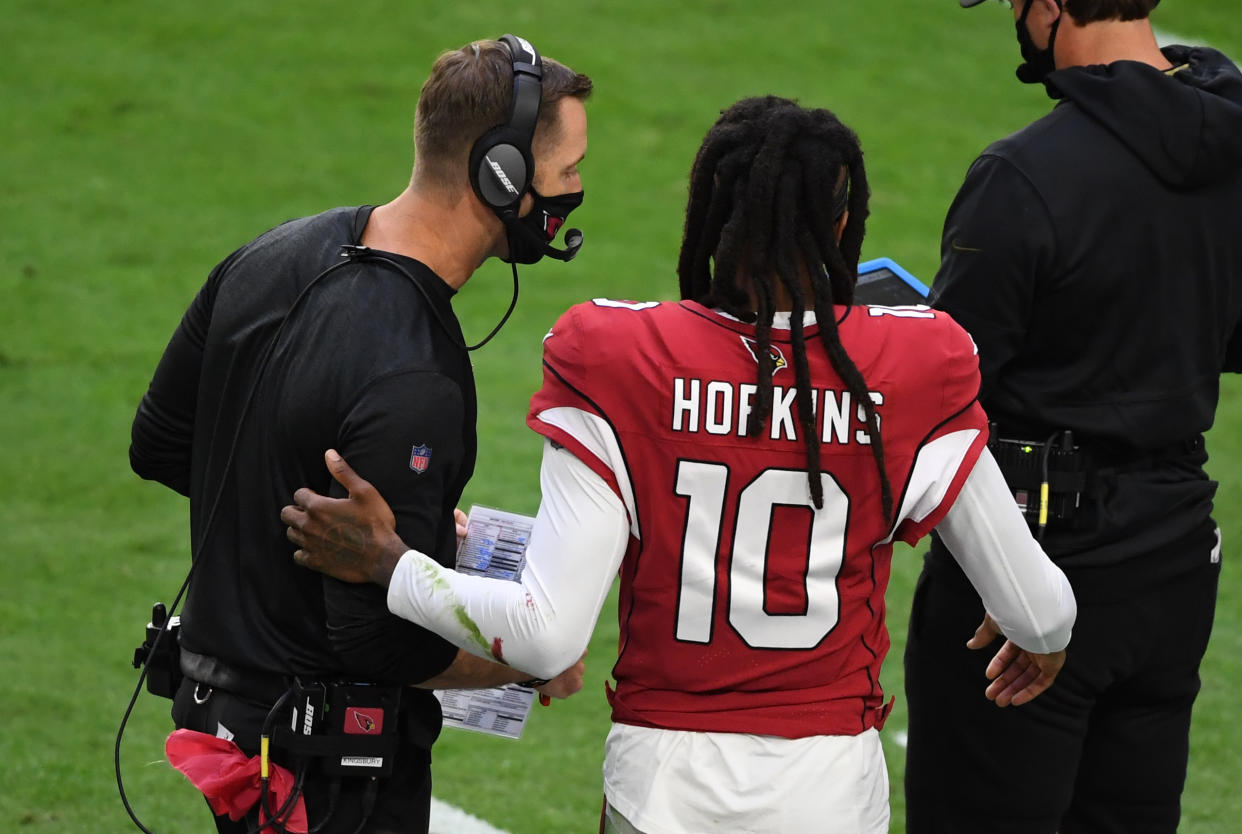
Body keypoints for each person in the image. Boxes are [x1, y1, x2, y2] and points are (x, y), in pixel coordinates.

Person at [281, 96, 1078, 834]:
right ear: (843, 227)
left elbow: (545, 638)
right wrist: (1038, 635)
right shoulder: (916, 360)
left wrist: (392, 565)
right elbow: (1041, 614)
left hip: (661, 787)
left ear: (709, 216)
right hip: (830, 787)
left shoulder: (618, 355)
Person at [128, 35, 592, 834]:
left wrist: (307, 516)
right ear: (501, 173)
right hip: (331, 779)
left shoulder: (268, 255)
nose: (578, 189)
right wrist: (519, 658)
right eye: (569, 169)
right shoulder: (416, 376)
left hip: (230, 724)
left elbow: (163, 444)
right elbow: (378, 643)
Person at [903, 2, 1242, 832]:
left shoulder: (1024, 176)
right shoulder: (1235, 141)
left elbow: (951, 386)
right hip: (1173, 562)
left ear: (1052, 8)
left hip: (1028, 570)